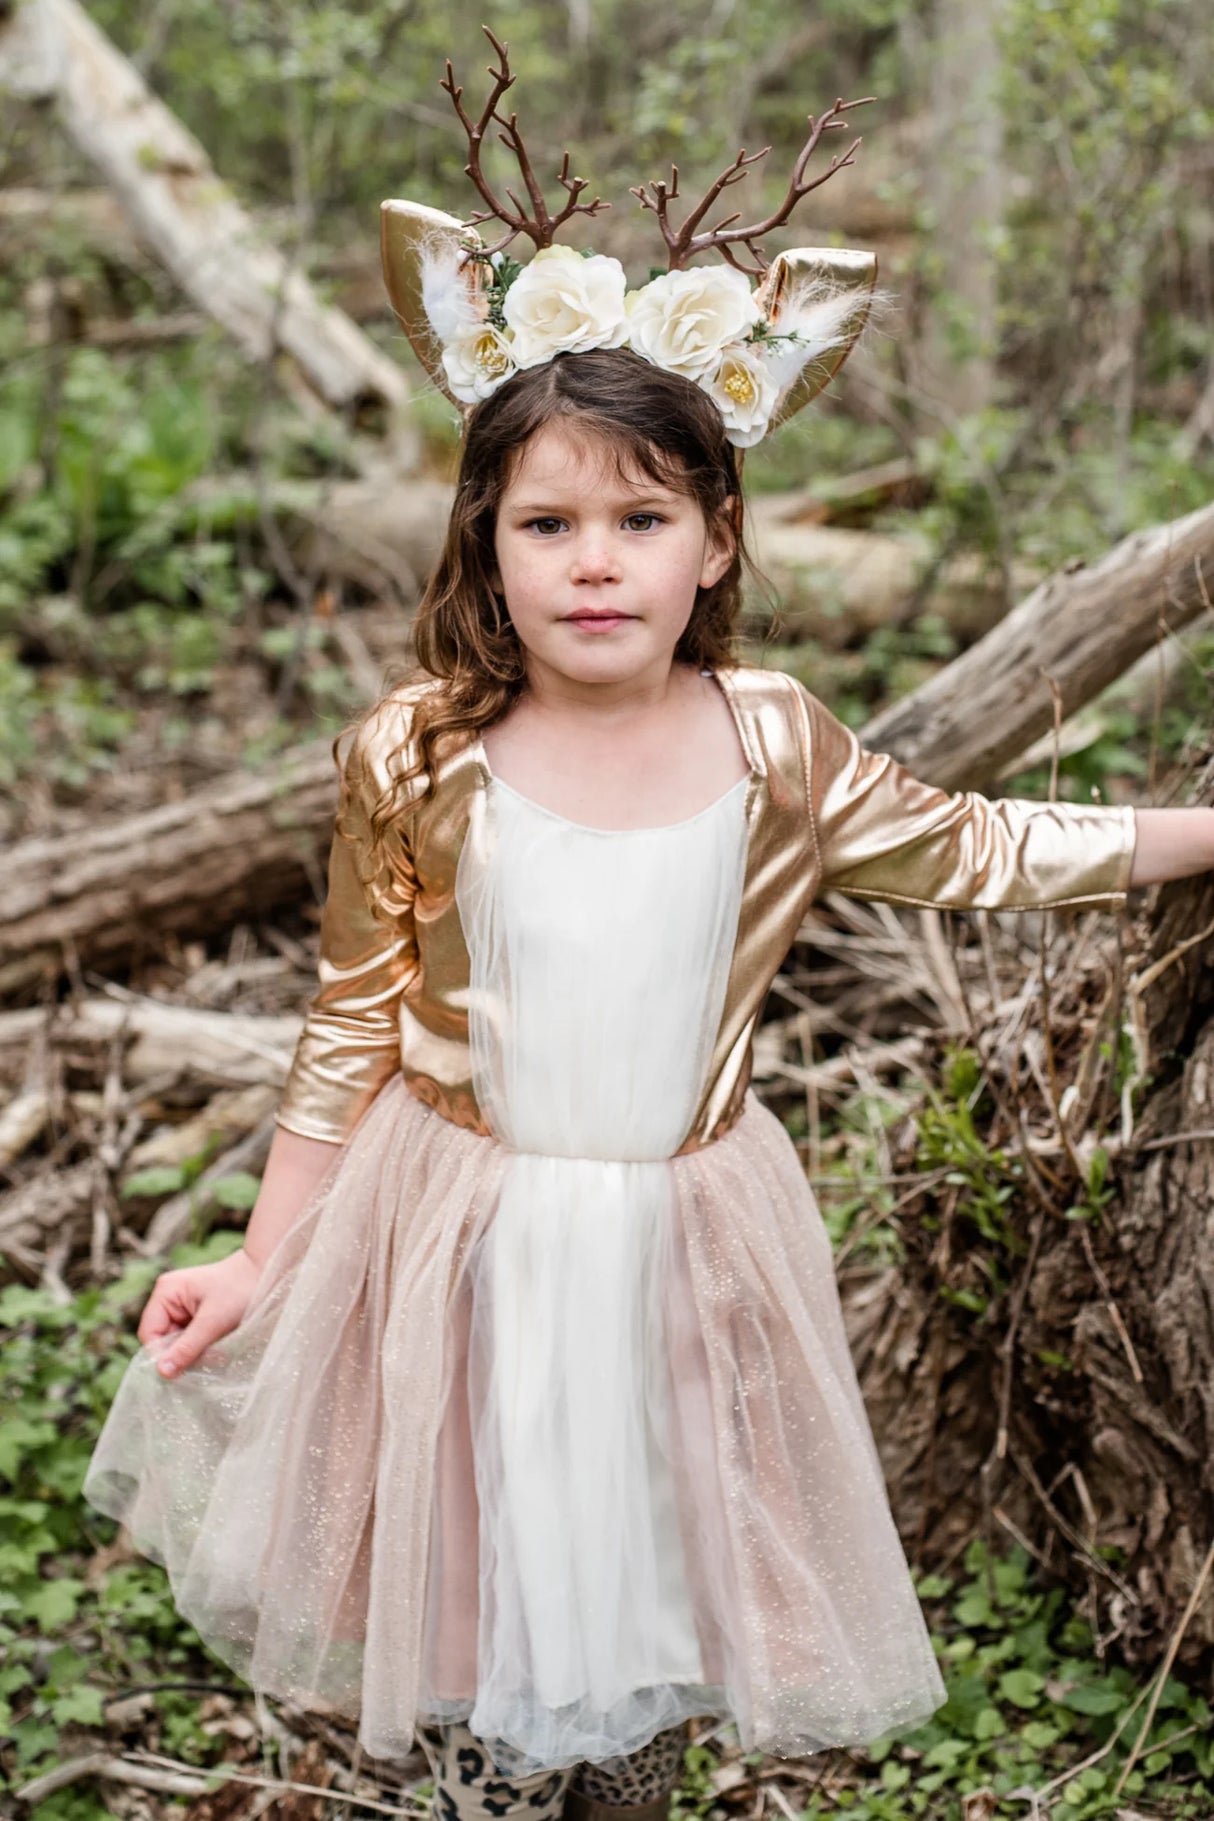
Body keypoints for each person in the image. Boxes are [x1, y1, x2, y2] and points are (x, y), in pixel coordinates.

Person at [83, 37, 1214, 1821]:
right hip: (456, 1231)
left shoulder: (770, 739)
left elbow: (979, 842)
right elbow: (347, 1025)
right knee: (478, 1591)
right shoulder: (423, 750)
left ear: (713, 537)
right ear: (486, 538)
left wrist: (1194, 832)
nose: (592, 558)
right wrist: (263, 1258)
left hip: (683, 1240)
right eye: (547, 520)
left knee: (654, 1597)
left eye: (639, 516)